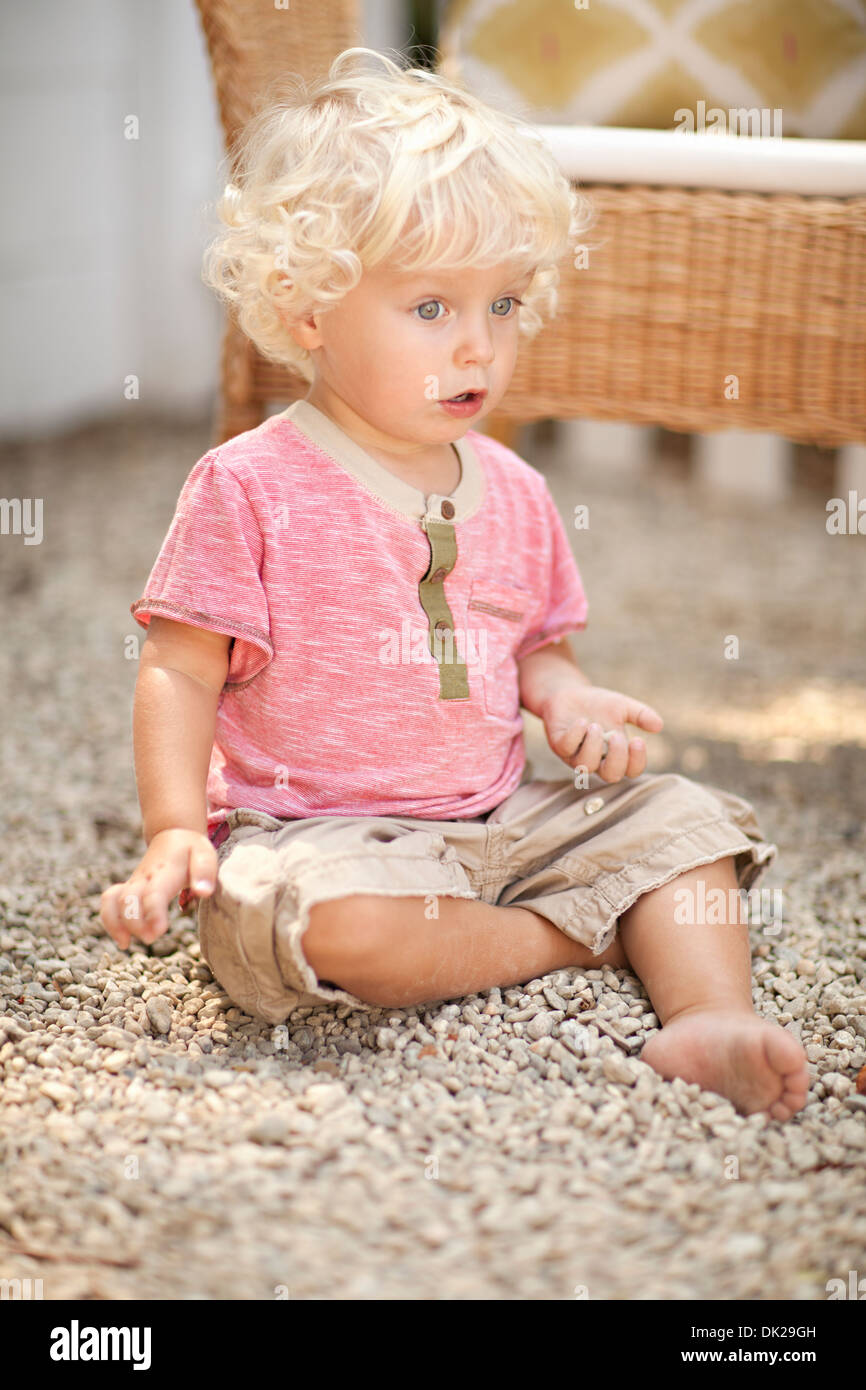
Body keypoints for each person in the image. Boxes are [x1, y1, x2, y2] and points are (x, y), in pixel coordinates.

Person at [100, 47, 808, 1122]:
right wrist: (172, 830)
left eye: (505, 304)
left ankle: (705, 1017)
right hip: (327, 837)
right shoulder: (249, 484)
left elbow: (535, 644)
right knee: (320, 928)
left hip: (502, 814)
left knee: (685, 821)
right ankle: (586, 930)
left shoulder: (515, 489)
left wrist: (565, 699)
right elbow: (178, 668)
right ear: (308, 310)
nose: (477, 343)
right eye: (430, 308)